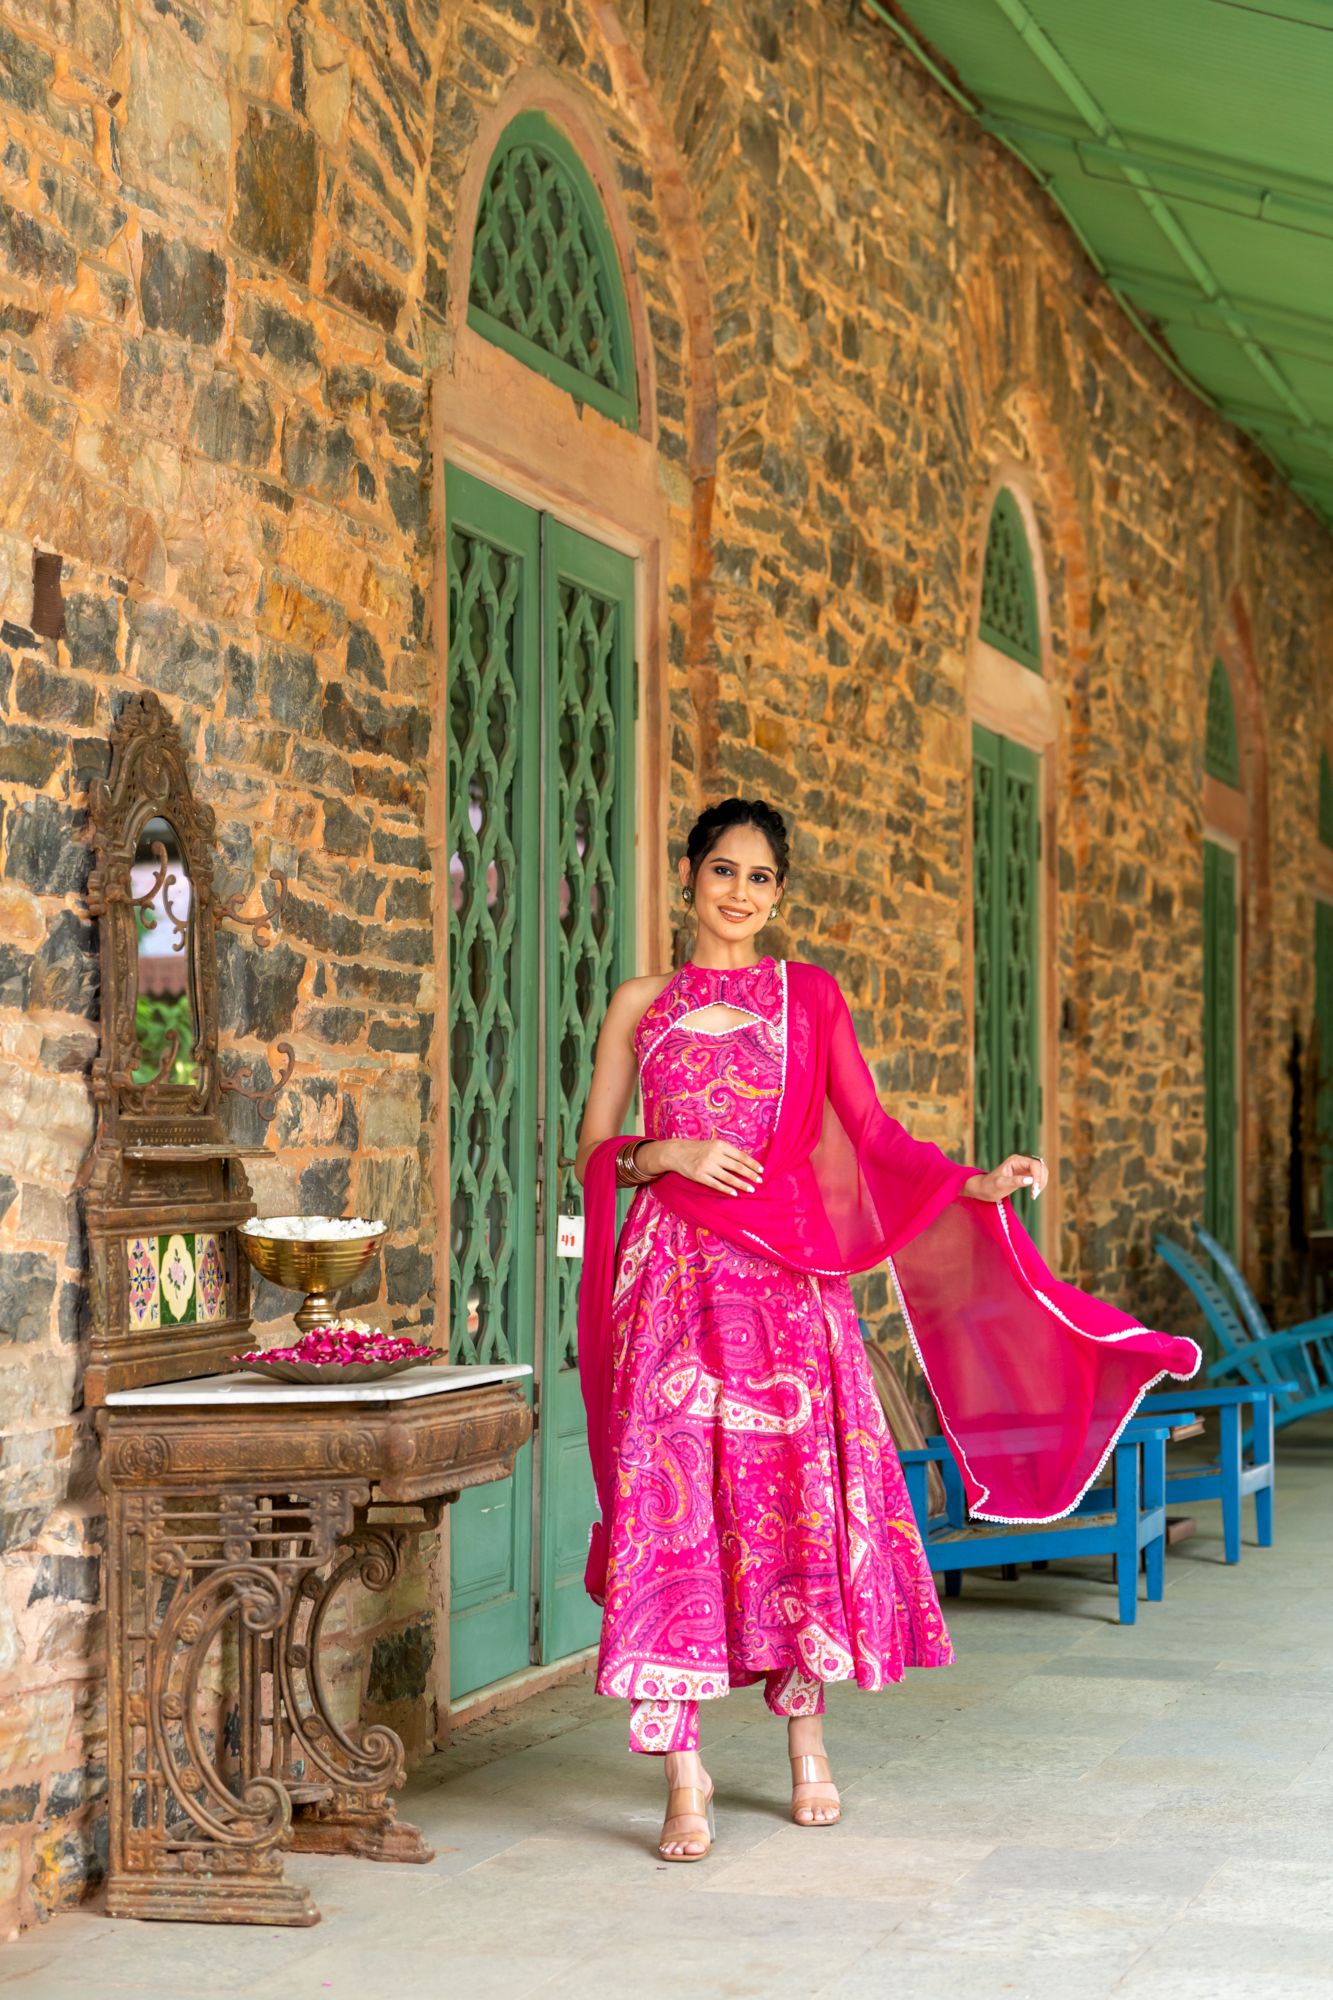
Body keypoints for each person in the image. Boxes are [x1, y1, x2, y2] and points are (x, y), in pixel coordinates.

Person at [575, 799, 1198, 1864]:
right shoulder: (642, 1001)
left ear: (779, 892)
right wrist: (663, 1154)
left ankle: (806, 1746)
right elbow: (592, 1143)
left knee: (792, 1506)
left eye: (761, 877)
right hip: (672, 1284)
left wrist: (974, 1183)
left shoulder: (807, 995)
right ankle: (683, 1772)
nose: (739, 893)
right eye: (722, 870)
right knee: (669, 1511)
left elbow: (871, 1132)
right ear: (686, 874)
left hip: (783, 1291)